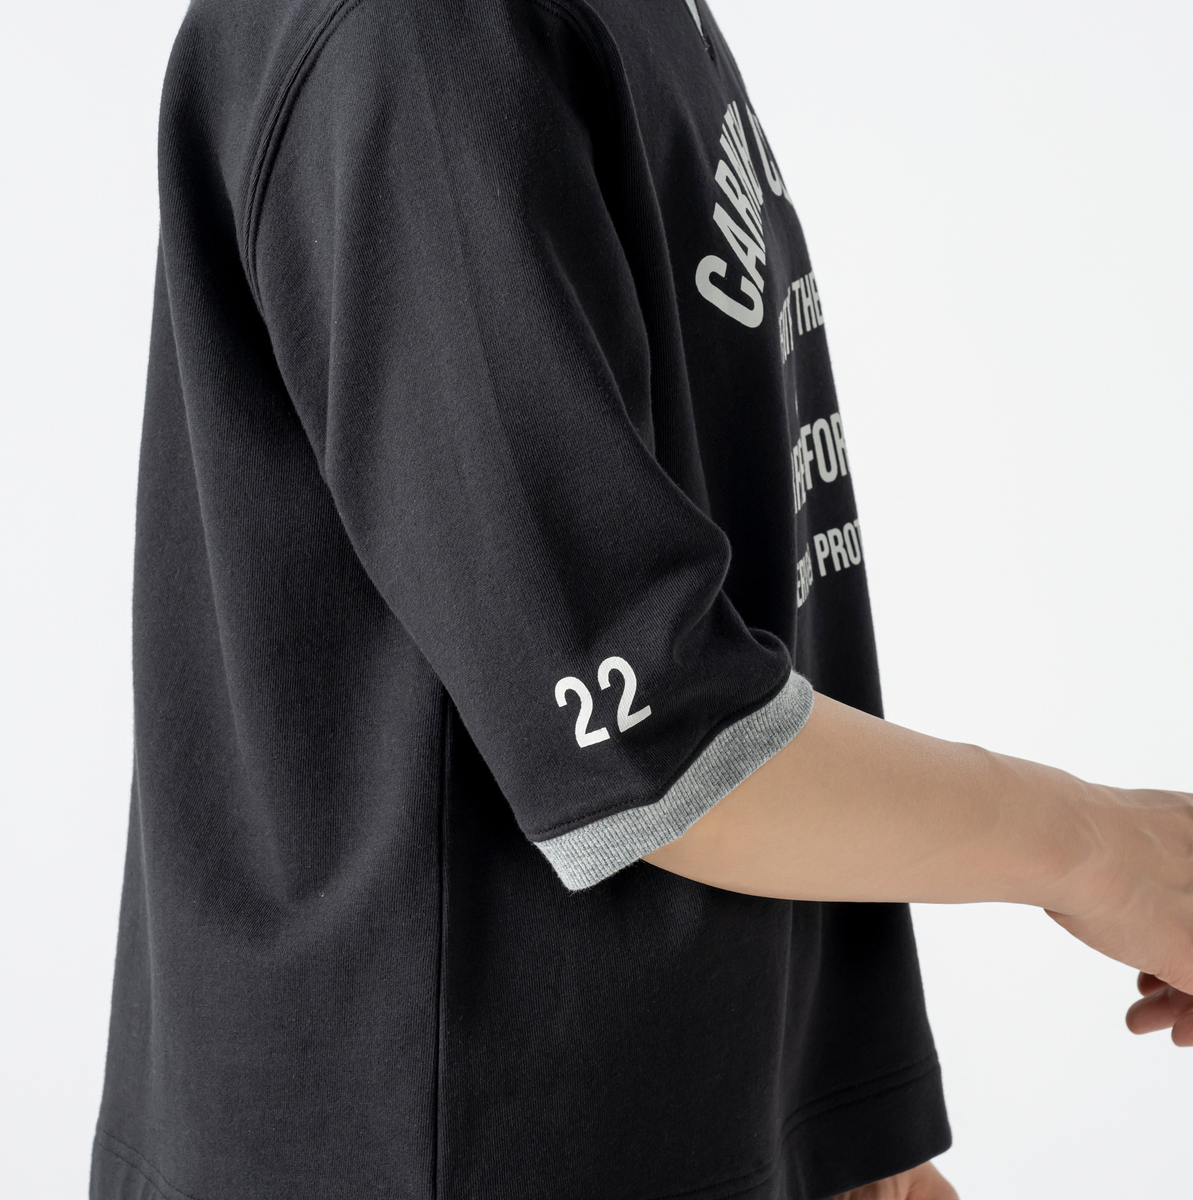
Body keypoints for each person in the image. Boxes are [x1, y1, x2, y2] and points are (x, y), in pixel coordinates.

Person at [91, 1, 1193, 1198]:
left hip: (653, 1120)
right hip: (446, 1142)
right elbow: (640, 732)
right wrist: (1104, 852)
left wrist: (835, 1120)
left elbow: (760, 619)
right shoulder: (422, 35)